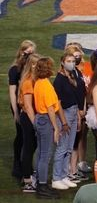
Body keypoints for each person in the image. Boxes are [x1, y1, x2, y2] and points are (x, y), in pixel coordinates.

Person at [52, 52, 86, 190]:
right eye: (69, 60)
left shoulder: (71, 76)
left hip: (73, 112)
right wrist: (64, 122)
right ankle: (56, 177)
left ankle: (64, 175)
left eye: (73, 60)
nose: (72, 63)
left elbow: (75, 99)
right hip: (64, 115)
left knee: (69, 148)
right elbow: (58, 103)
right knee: (61, 148)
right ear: (62, 62)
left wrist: (77, 116)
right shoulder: (59, 80)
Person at [33, 57, 62, 199]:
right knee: (45, 155)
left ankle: (39, 182)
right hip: (46, 120)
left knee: (40, 153)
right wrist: (56, 128)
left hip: (39, 118)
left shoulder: (38, 82)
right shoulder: (46, 85)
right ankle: (42, 186)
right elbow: (51, 108)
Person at [8, 40, 36, 181]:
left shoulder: (33, 68)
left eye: (31, 53)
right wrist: (16, 112)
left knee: (30, 137)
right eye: (27, 53)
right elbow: (12, 92)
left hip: (31, 104)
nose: (29, 56)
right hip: (19, 105)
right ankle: (18, 164)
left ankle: (25, 165)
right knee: (21, 135)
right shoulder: (15, 69)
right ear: (21, 52)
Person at [18, 53, 40, 193]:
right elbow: (28, 106)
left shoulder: (35, 79)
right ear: (31, 65)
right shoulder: (27, 82)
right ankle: (27, 179)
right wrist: (35, 124)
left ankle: (27, 174)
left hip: (34, 116)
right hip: (28, 118)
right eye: (36, 64)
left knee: (32, 147)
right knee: (28, 147)